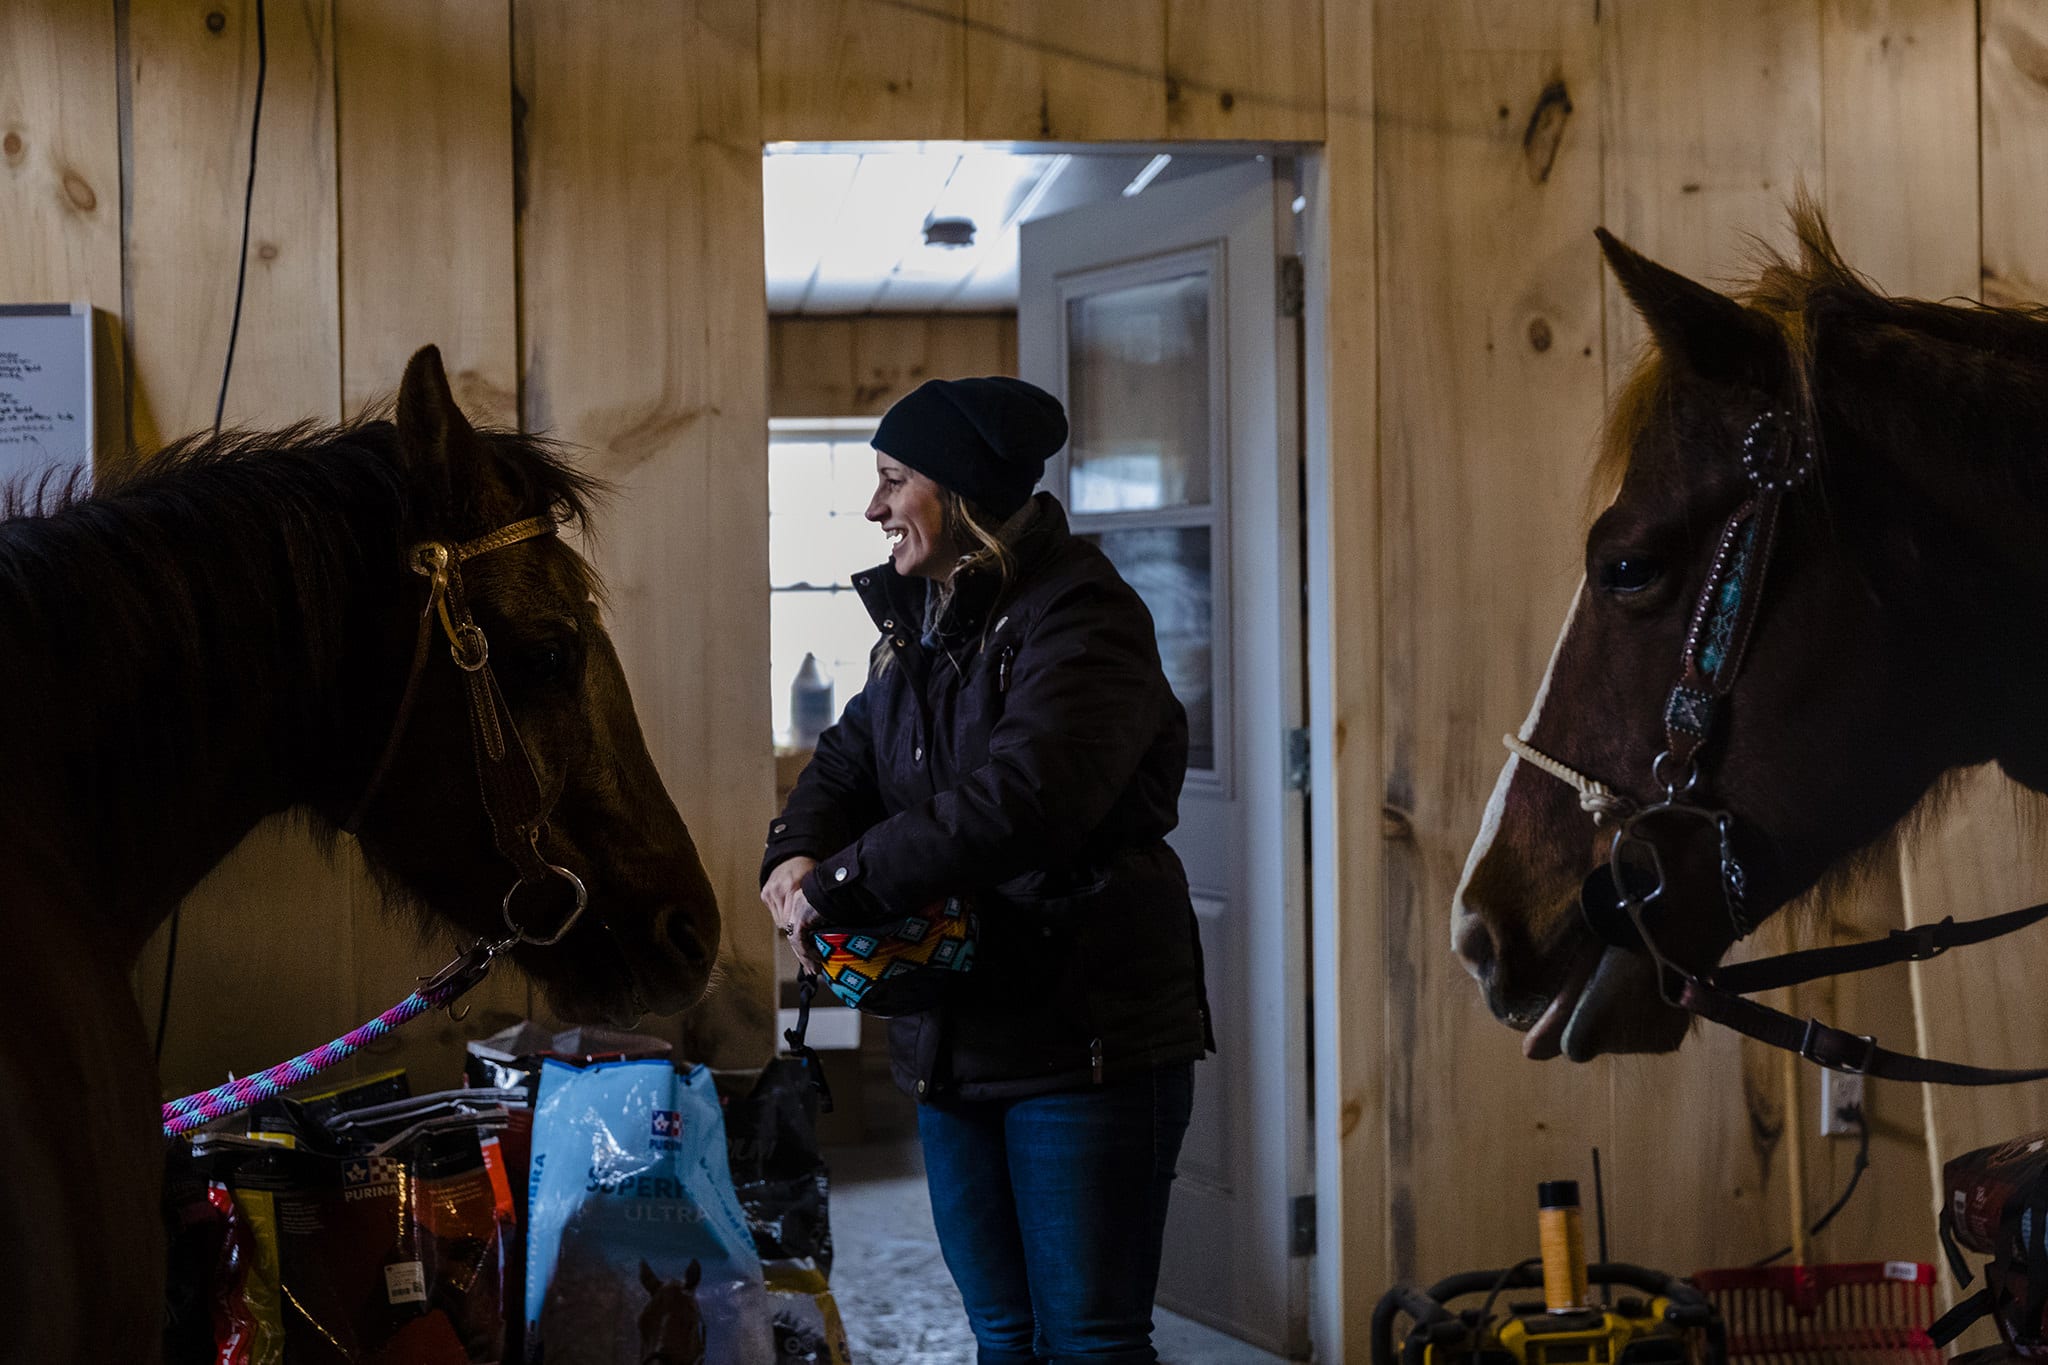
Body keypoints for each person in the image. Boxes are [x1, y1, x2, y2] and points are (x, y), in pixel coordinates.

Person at [759, 375, 1212, 1365]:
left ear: (959, 491)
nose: (874, 509)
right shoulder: (925, 627)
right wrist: (792, 851)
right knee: (1002, 1334)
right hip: (955, 1043)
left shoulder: (1084, 620)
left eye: (892, 481)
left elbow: (1023, 801)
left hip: (1081, 1040)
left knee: (1086, 1339)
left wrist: (833, 890)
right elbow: (843, 764)